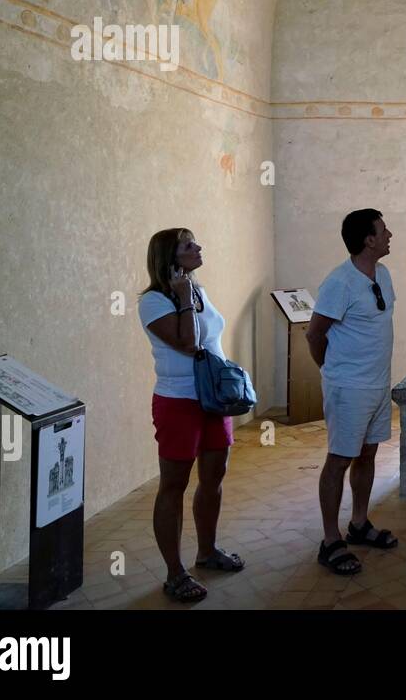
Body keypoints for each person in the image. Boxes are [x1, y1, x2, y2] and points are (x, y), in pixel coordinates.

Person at [138, 228, 245, 603]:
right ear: (169, 258)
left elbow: (211, 336)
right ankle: (174, 573)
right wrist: (182, 296)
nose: (198, 247)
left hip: (212, 399)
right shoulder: (152, 302)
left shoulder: (198, 290)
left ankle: (207, 551)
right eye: (188, 245)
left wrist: (189, 293)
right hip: (178, 401)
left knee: (214, 476)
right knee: (174, 485)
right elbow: (188, 343)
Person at [307, 209, 400, 576]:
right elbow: (314, 334)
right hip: (349, 387)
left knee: (367, 454)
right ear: (368, 240)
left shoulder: (384, 273)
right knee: (339, 459)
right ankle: (330, 541)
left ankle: (359, 523)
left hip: (377, 385)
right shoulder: (339, 282)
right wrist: (331, 371)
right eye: (383, 230)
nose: (390, 234)